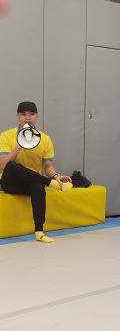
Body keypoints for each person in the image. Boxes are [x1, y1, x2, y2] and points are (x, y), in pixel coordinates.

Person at [0, 101, 73, 243]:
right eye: (23, 114)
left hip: (32, 181)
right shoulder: (6, 136)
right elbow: (3, 165)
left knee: (38, 187)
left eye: (31, 114)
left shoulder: (44, 139)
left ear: (37, 116)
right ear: (18, 117)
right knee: (12, 165)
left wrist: (56, 176)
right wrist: (19, 145)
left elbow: (48, 167)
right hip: (10, 182)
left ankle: (39, 232)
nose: (27, 118)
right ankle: (50, 183)